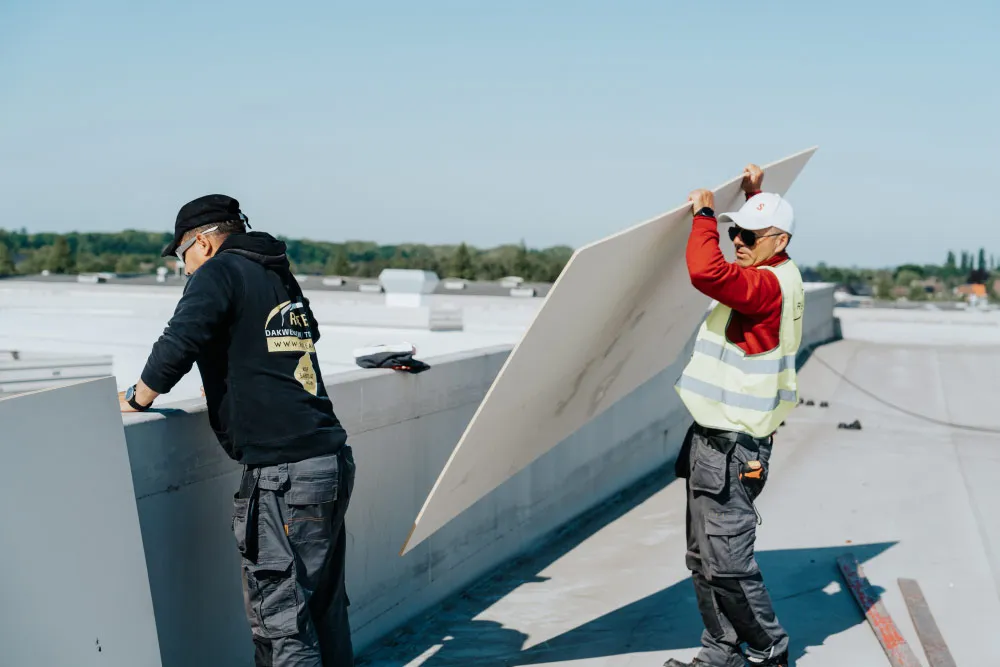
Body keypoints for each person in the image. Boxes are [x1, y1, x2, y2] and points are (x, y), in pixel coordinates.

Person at [119, 194, 356, 667]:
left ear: (202, 244)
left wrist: (137, 397)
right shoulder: (274, 271)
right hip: (327, 460)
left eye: (181, 257)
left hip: (284, 473)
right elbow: (287, 344)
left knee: (281, 618)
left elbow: (180, 341)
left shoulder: (218, 272)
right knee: (322, 607)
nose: (182, 270)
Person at [665, 165, 804, 667]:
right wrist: (755, 195)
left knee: (728, 565)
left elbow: (706, 271)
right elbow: (759, 237)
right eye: (732, 230)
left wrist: (704, 217)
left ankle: (770, 651)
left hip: (734, 448)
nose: (737, 240)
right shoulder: (776, 264)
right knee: (703, 560)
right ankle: (721, 651)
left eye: (748, 234)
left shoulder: (766, 287)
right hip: (711, 441)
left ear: (779, 240)